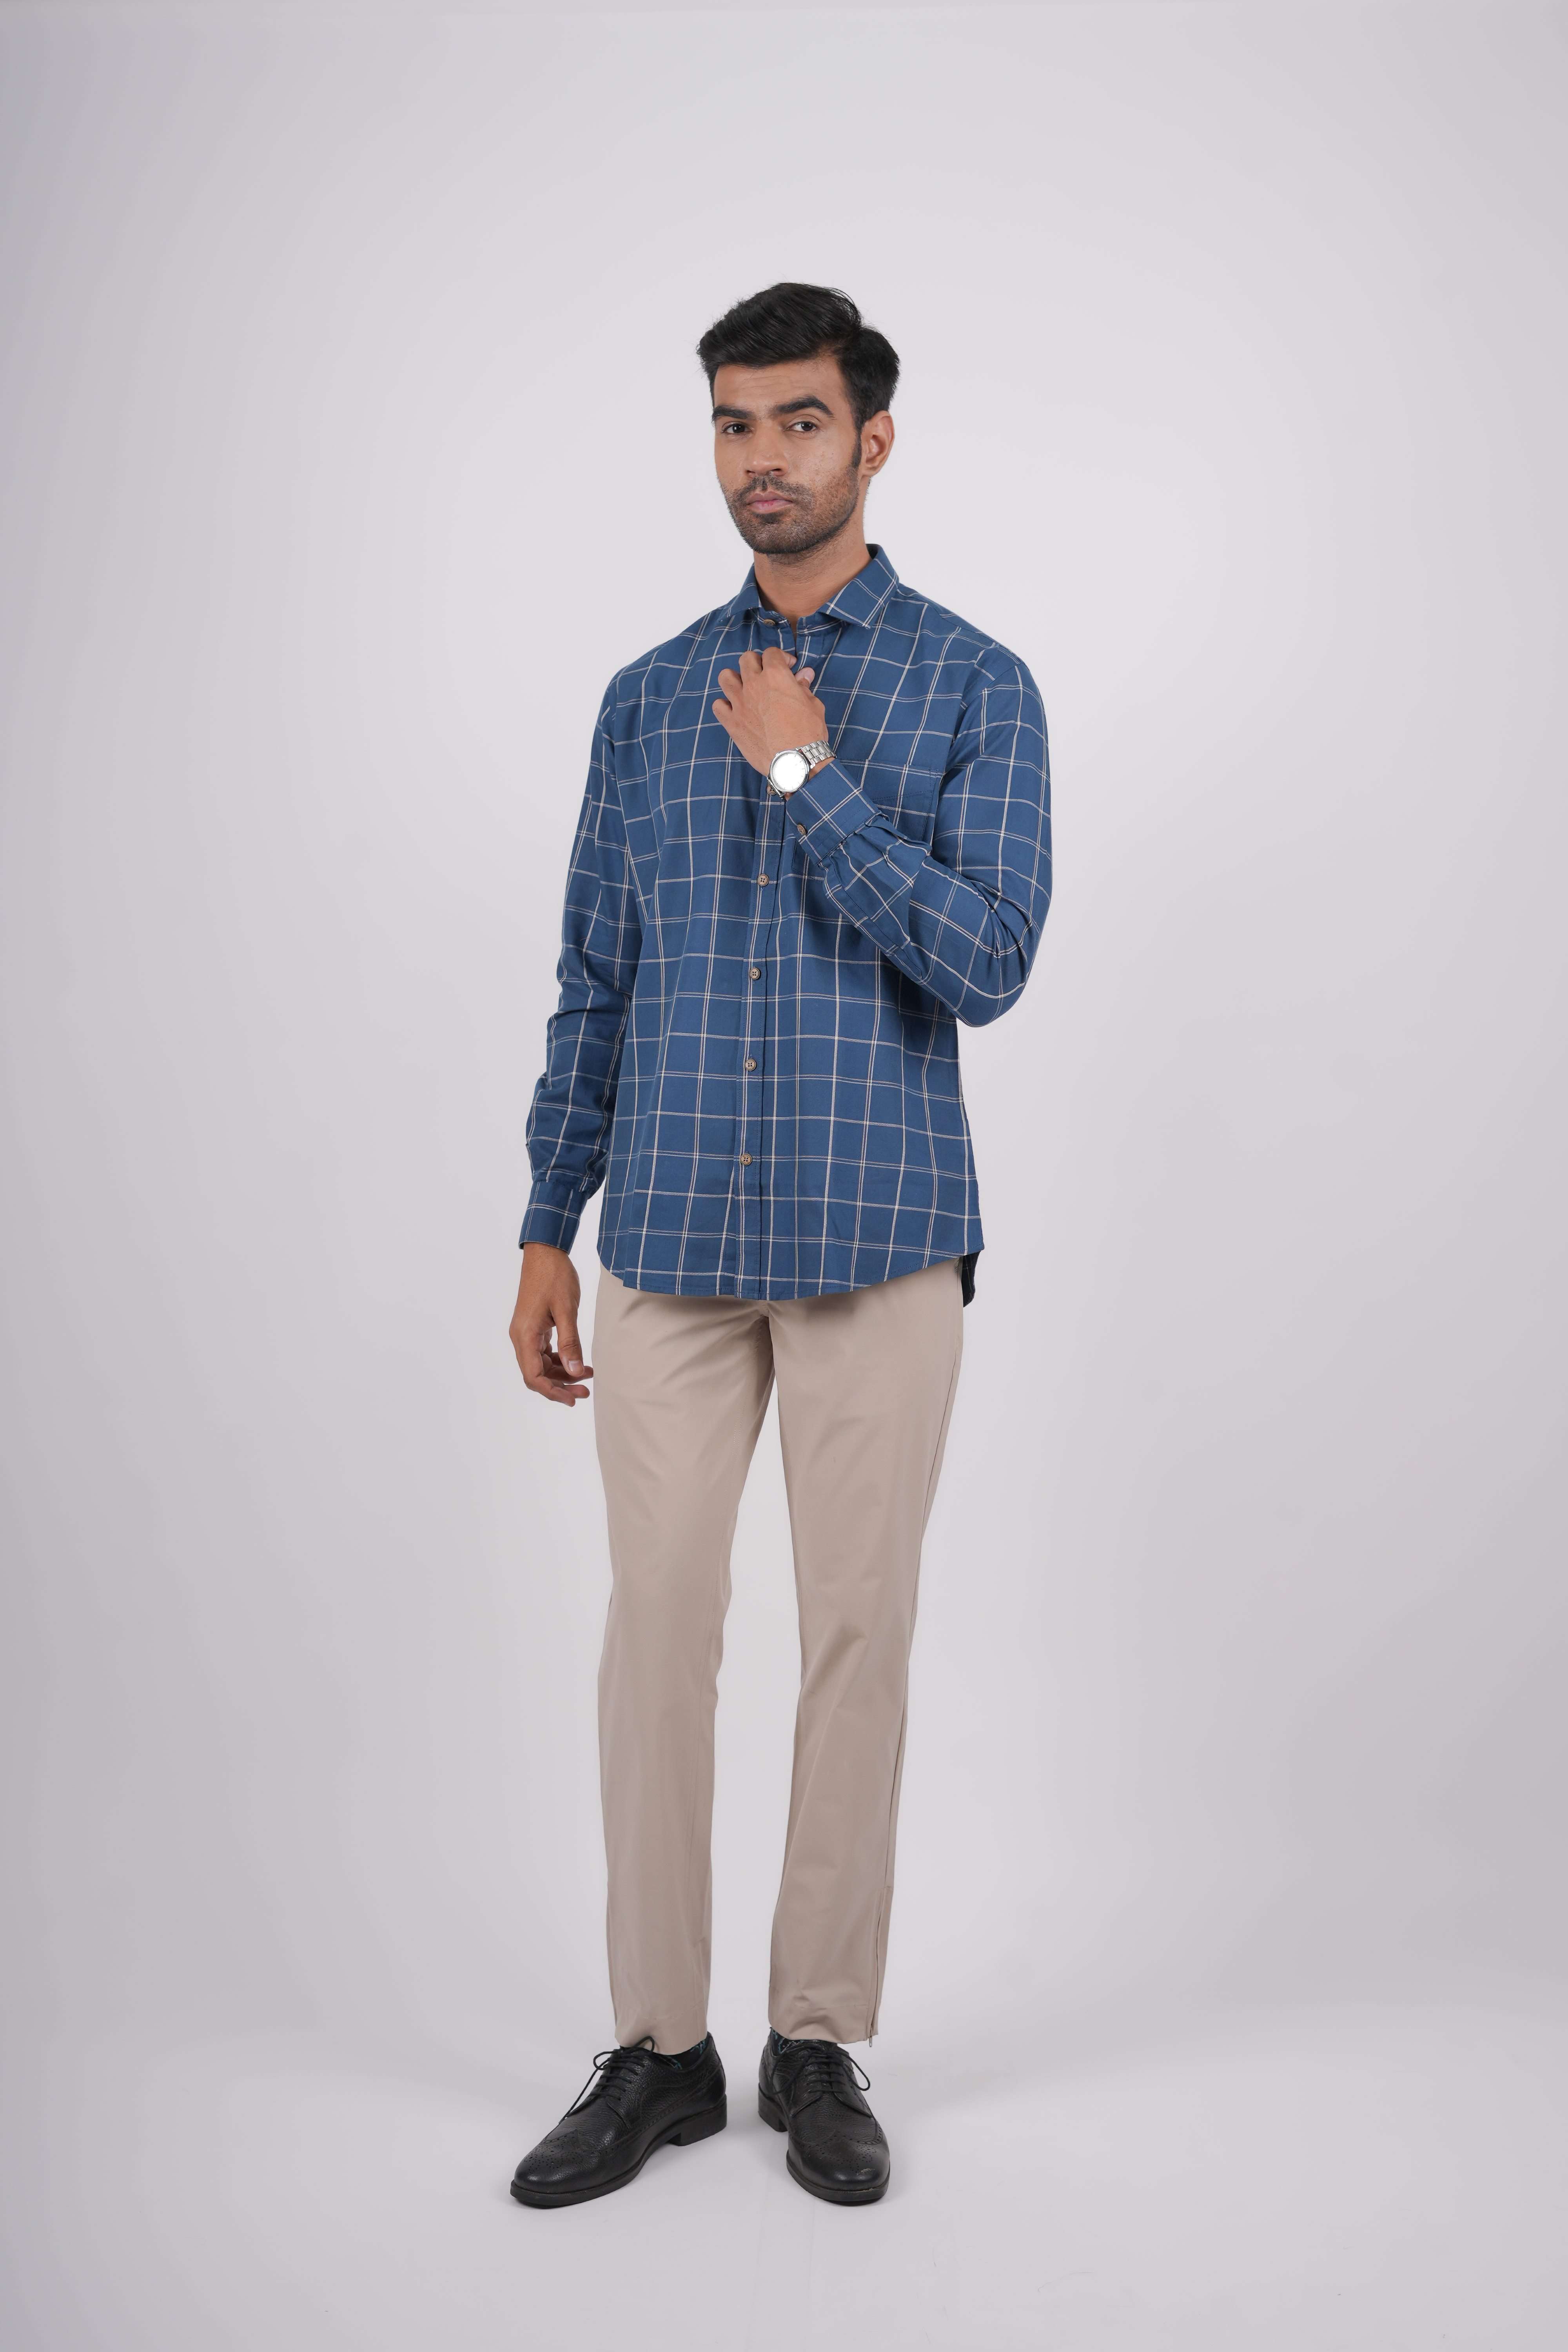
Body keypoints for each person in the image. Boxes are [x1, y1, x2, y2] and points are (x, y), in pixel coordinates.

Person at [506, 283, 1051, 2209]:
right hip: (664, 1238)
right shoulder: (645, 699)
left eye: (800, 421)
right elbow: (595, 977)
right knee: (654, 1630)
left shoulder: (975, 686)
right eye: (736, 423)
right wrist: (545, 1220)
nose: (764, 459)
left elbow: (989, 960)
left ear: (872, 439)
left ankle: (816, 2038)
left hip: (880, 1239)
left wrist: (810, 777)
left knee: (854, 1637)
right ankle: (661, 2052)